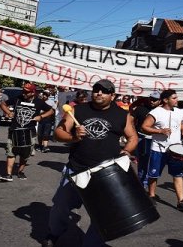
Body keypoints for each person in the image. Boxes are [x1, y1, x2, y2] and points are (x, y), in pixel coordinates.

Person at [46, 79, 137, 246]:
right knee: (60, 206)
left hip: (107, 173)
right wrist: (73, 137)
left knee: (103, 215)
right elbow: (58, 133)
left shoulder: (122, 115)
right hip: (76, 169)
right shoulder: (77, 110)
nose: (99, 93)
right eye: (96, 89)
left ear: (112, 95)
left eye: (104, 91)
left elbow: (132, 137)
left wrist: (127, 150)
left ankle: (91, 243)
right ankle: (54, 233)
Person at [141, 89, 183, 212]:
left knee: (178, 174)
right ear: (165, 100)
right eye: (174, 98)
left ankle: (181, 201)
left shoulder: (179, 112)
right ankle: (152, 196)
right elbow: (144, 127)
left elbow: (181, 124)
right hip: (158, 148)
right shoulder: (156, 112)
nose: (177, 100)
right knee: (154, 174)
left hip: (175, 149)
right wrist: (160, 131)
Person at [0, 83, 53, 181]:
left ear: (33, 92)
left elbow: (51, 110)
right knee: (11, 152)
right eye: (23, 91)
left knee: (25, 154)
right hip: (14, 130)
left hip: (29, 131)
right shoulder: (17, 98)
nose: (24, 93)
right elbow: (3, 104)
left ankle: (20, 172)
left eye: (26, 92)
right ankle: (8, 174)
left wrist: (41, 117)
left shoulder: (39, 102)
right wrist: (8, 112)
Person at [130, 90, 162, 187]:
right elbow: (131, 120)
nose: (152, 101)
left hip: (156, 139)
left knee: (153, 162)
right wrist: (133, 133)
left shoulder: (162, 111)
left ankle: (149, 181)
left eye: (155, 100)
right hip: (142, 138)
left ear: (160, 101)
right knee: (143, 161)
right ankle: (141, 182)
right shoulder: (140, 109)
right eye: (151, 99)